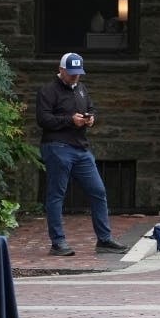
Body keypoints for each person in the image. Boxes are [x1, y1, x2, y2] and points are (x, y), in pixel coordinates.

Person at [35, 53, 131, 257]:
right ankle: (58, 242)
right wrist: (70, 121)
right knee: (56, 195)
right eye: (71, 74)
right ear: (61, 70)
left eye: (78, 74)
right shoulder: (48, 91)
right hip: (57, 147)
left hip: (80, 148)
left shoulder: (81, 88)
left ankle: (104, 240)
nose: (75, 77)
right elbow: (43, 120)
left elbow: (90, 107)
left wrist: (90, 118)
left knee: (98, 191)